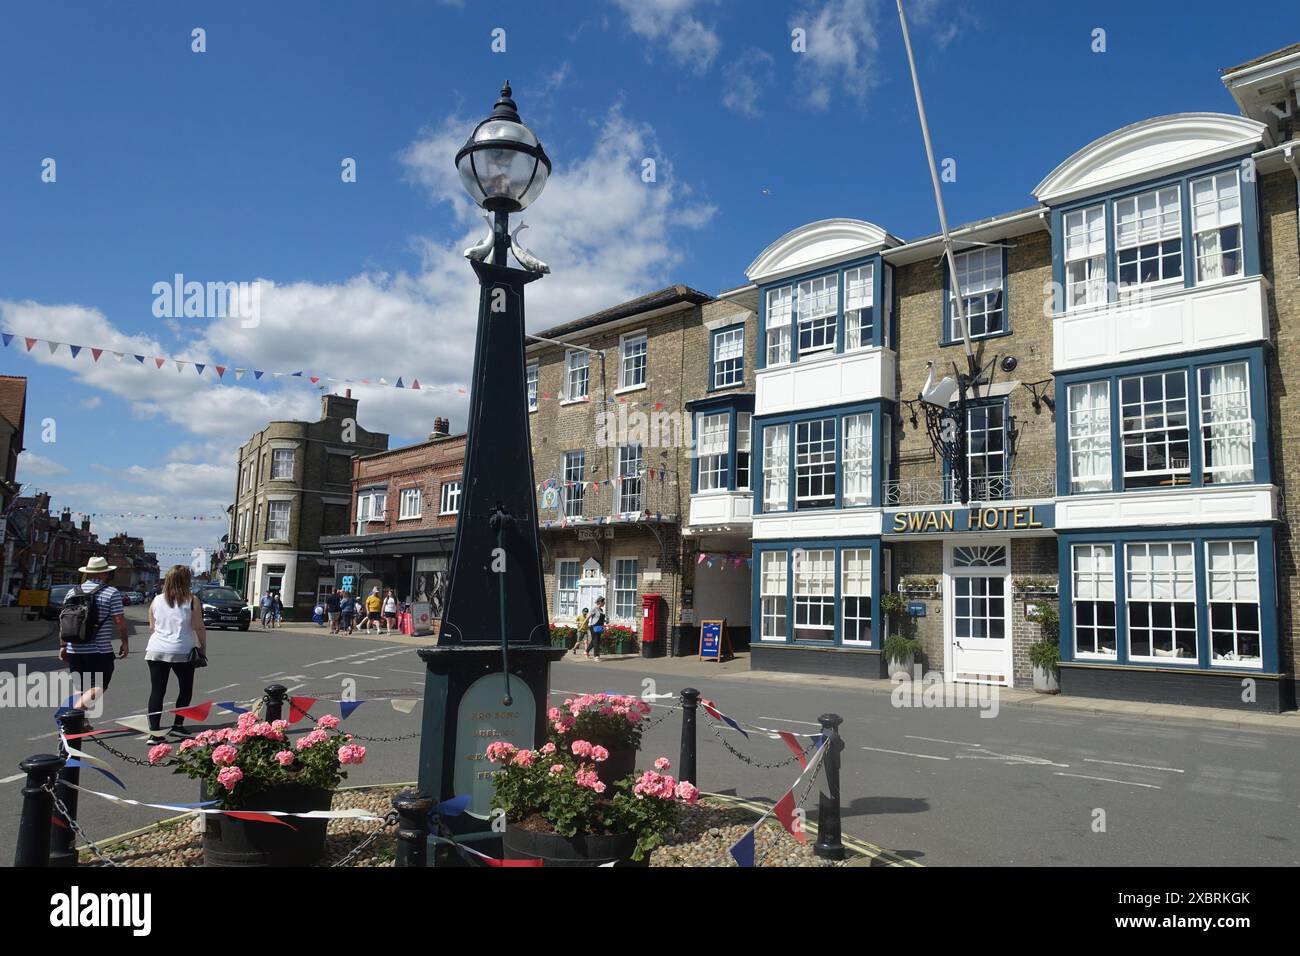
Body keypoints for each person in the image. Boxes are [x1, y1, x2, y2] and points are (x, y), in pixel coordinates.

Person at [144, 564, 206, 745]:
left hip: (156, 649)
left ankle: (154, 732)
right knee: (185, 689)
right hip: (182, 650)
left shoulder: (156, 600)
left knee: (157, 691)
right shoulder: (192, 600)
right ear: (186, 581)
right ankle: (178, 726)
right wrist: (203, 647)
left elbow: (151, 626)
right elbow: (198, 627)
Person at [59, 556, 129, 715]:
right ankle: (72, 716)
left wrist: (63, 645)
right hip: (99, 650)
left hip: (74, 649)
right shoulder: (111, 592)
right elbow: (119, 621)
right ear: (105, 573)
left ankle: (81, 723)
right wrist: (125, 642)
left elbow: (64, 621)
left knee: (82, 688)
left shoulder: (72, 592)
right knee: (100, 686)